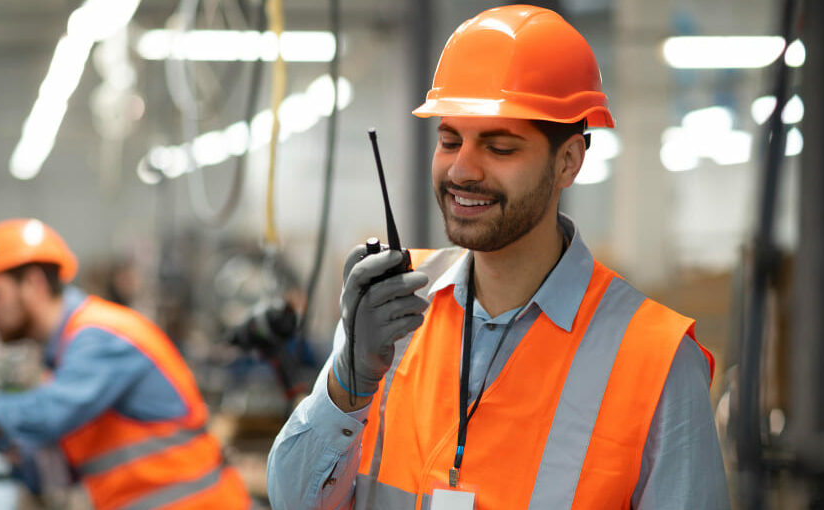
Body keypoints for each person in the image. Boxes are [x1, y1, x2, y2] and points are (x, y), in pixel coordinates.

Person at [266, 5, 729, 509]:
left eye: (500, 147)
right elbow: (293, 500)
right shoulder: (392, 310)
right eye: (449, 140)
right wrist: (347, 385)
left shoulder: (656, 361)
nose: (463, 169)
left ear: (568, 161)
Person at [0, 218, 250, 510]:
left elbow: (46, 415)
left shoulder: (99, 336)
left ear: (34, 283)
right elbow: (60, 465)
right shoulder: (65, 355)